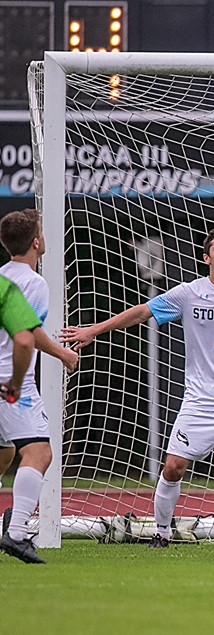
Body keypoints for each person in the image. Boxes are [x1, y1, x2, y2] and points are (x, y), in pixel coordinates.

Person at [61, 227, 214, 548]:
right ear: (207, 258)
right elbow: (141, 313)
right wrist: (94, 330)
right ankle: (162, 533)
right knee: (174, 467)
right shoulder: (189, 293)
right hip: (201, 400)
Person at [0, 208, 74, 564]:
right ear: (36, 242)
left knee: (4, 455)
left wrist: (60, 353)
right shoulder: (34, 282)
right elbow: (26, 337)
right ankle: (15, 533)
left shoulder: (2, 277)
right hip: (10, 384)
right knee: (39, 454)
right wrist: (62, 355)